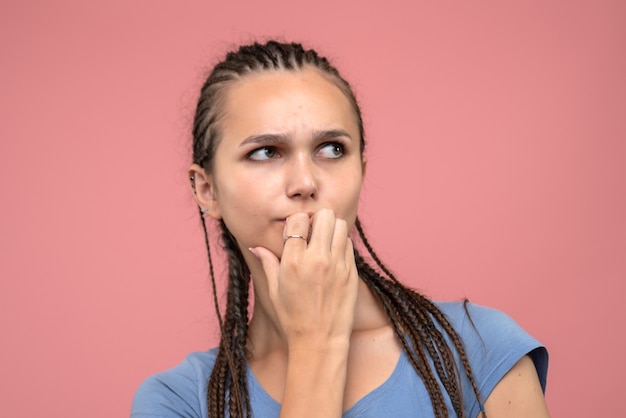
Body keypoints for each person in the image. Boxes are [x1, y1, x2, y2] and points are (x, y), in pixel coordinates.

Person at [131, 40, 550, 418]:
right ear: (207, 191)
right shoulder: (179, 402)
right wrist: (317, 346)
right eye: (265, 152)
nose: (306, 182)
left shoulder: (477, 351)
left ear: (361, 171)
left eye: (332, 149)